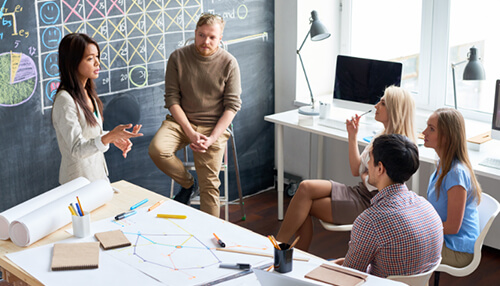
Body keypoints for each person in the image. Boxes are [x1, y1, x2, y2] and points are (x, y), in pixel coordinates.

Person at [276, 86, 416, 250]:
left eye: (382, 103)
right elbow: (356, 170)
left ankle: (284, 252)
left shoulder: (398, 147)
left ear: (395, 110)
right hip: (358, 191)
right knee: (305, 187)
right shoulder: (380, 135)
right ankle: (279, 246)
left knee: (304, 206)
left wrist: (365, 176)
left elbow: (379, 182)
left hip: (369, 202)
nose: (376, 106)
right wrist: (352, 136)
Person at [148, 13, 242, 217]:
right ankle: (188, 183)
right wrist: (190, 132)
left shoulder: (229, 63)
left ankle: (210, 240)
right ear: (195, 32)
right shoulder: (178, 57)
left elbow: (232, 106)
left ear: (220, 37)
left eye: (212, 37)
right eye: (201, 35)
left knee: (210, 188)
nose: (205, 41)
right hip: (181, 123)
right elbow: (172, 99)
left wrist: (211, 139)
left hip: (213, 128)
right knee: (157, 149)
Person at [335, 134, 443, 278]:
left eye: (370, 159)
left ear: (380, 168)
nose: (367, 164)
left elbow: (348, 277)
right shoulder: (428, 208)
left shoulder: (369, 222)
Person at [52, 33, 143, 184]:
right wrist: (107, 137)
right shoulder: (64, 100)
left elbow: (91, 135)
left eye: (97, 56)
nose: (97, 63)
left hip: (98, 177)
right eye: (90, 58)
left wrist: (114, 138)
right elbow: (76, 149)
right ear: (73, 62)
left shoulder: (89, 94)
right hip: (78, 184)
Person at [422, 108, 482, 267]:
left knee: (406, 247)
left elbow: (453, 227)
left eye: (431, 129)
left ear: (447, 138)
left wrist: (421, 229)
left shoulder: (456, 173)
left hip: (458, 248)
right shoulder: (442, 165)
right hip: (444, 239)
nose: (424, 132)